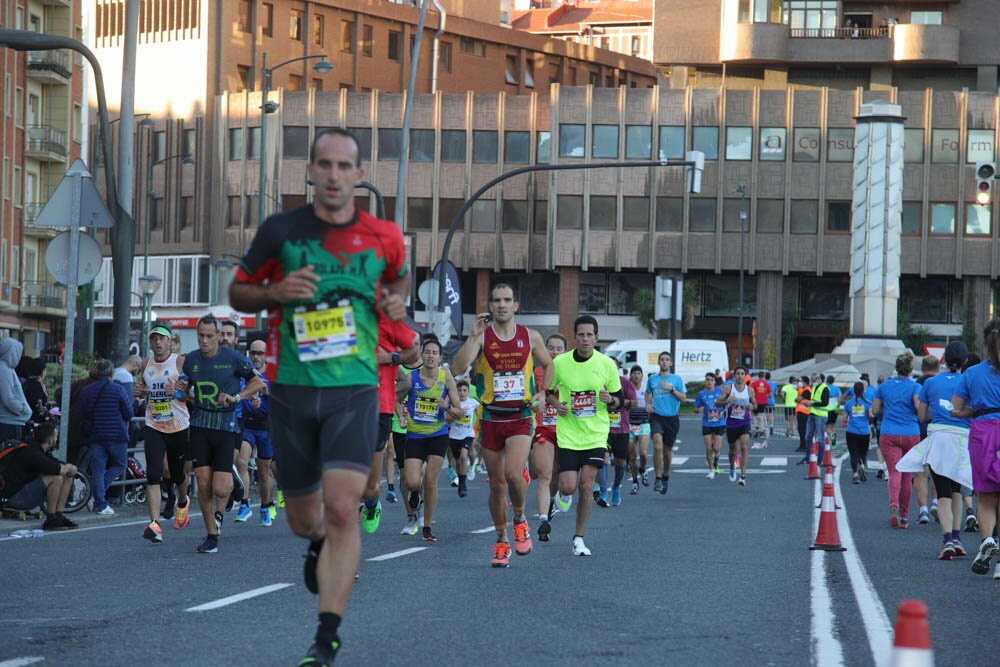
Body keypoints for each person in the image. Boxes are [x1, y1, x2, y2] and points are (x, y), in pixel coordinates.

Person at [229, 127, 409, 665]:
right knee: (305, 518)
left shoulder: (384, 236)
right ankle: (315, 544)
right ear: (309, 171)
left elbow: (397, 284)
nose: (334, 175)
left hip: (353, 388)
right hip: (291, 391)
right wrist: (273, 292)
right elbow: (238, 291)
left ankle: (326, 637)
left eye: (344, 166)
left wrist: (394, 308)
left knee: (342, 507)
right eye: (324, 165)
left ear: (358, 175)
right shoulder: (281, 230)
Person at [450, 283, 553, 568]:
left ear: (516, 305)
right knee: (496, 485)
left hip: (520, 416)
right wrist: (472, 337)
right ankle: (501, 540)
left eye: (507, 300)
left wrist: (544, 393)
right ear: (491, 305)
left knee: (512, 474)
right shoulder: (482, 338)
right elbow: (458, 368)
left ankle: (520, 518)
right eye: (496, 300)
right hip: (490, 418)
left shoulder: (530, 337)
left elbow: (549, 364)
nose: (502, 305)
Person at [181, 315, 265, 553]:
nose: (204, 341)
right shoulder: (191, 360)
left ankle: (233, 482)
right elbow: (185, 392)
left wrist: (235, 397)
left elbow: (257, 383)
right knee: (204, 485)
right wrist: (179, 391)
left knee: (220, 488)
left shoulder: (233, 358)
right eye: (201, 336)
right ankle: (211, 536)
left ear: (218, 336)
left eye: (209, 336)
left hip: (226, 426)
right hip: (199, 425)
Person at [545, 315, 622, 556]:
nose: (586, 338)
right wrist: (556, 404)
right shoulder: (561, 363)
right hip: (568, 433)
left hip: (596, 435)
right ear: (575, 337)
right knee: (568, 487)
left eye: (590, 335)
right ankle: (561, 495)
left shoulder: (607, 364)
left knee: (587, 485)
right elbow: (547, 392)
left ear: (596, 338)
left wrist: (611, 400)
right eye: (581, 334)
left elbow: (619, 401)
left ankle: (579, 538)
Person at [898, 341, 971, 560]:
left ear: (944, 360)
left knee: (942, 492)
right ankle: (957, 538)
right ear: (965, 361)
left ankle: (947, 540)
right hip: (963, 440)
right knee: (957, 489)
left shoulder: (930, 383)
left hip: (938, 438)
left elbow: (921, 416)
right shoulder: (968, 381)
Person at [134, 321, 193, 543]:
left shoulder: (180, 362)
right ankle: (154, 524)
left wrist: (179, 391)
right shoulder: (145, 363)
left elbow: (191, 395)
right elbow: (144, 389)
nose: (158, 342)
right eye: (154, 338)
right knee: (153, 475)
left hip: (178, 425)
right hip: (154, 425)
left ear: (170, 341)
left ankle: (183, 501)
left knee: (178, 475)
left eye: (162, 338)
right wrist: (141, 391)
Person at [400, 338, 463, 541]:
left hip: (437, 434)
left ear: (440, 358)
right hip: (415, 435)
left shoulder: (446, 378)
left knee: (431, 481)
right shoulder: (411, 378)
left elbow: (459, 411)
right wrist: (401, 417)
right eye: (427, 352)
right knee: (411, 481)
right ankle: (414, 495)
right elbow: (394, 398)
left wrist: (446, 406)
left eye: (434, 353)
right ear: (422, 355)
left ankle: (426, 526)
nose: (430, 356)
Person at [951, 320, 1000, 575]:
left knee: (986, 496)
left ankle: (987, 540)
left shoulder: (973, 373)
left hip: (983, 432)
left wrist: (964, 413)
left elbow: (957, 405)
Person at [365, 313, 420, 534]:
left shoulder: (386, 321)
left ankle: (370, 502)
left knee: (370, 488)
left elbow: (414, 351)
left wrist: (389, 358)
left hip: (378, 411)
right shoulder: (335, 318)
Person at [78, 359, 135, 516]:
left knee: (98, 469)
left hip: (96, 435)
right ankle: (99, 496)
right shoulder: (118, 390)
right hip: (117, 435)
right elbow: (129, 413)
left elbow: (80, 413)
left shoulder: (87, 391)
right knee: (120, 464)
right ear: (111, 373)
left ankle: (100, 502)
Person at [871, 353, 921, 529]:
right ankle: (905, 516)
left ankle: (893, 504)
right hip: (910, 432)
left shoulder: (884, 386)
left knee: (894, 471)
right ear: (911, 369)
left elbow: (875, 410)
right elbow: (917, 406)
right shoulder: (915, 387)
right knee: (907, 474)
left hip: (889, 431)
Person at [0, 422, 78, 530]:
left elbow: (54, 463)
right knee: (56, 478)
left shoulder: (41, 451)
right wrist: (68, 467)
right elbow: (54, 468)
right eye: (55, 436)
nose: (57, 439)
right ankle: (51, 518)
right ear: (50, 439)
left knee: (67, 476)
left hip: (25, 493)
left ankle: (58, 515)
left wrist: (68, 468)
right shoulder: (32, 452)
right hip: (15, 497)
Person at [530, 333, 566, 540]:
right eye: (550, 348)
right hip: (543, 425)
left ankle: (553, 499)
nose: (553, 352)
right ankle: (543, 520)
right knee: (541, 473)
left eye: (558, 348)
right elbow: (533, 396)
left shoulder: (570, 371)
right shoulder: (537, 371)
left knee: (558, 475)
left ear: (564, 351)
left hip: (565, 428)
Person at [241, 338, 276, 526]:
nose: (255, 356)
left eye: (260, 353)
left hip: (266, 427)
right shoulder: (244, 372)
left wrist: (265, 395)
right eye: (253, 353)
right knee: (241, 460)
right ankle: (245, 504)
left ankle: (265, 505)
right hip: (246, 425)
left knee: (264, 471)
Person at [222, 319, 254, 523]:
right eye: (222, 334)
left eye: (229, 334)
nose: (225, 338)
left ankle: (242, 500)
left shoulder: (243, 362)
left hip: (237, 418)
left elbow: (256, 384)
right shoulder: (207, 360)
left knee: (234, 462)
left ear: (236, 338)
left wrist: (242, 397)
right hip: (210, 418)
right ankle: (232, 493)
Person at [645, 351, 686, 494]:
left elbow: (684, 399)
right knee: (657, 447)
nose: (664, 362)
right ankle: (657, 478)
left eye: (667, 359)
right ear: (658, 362)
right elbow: (647, 392)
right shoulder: (652, 379)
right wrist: (647, 404)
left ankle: (665, 476)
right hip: (657, 416)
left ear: (671, 363)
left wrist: (672, 389)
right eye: (662, 359)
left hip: (672, 418)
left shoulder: (676, 379)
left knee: (667, 451)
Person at [717, 366, 756, 486]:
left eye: (742, 373)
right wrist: (727, 401)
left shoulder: (750, 390)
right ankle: (732, 466)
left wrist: (752, 406)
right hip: (731, 424)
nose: (739, 375)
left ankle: (743, 476)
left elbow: (754, 404)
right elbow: (717, 402)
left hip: (744, 423)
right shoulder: (728, 388)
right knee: (733, 450)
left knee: (744, 447)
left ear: (745, 376)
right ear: (735, 376)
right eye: (737, 373)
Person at [606, 360, 637, 506]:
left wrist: (615, 401)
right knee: (602, 459)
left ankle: (616, 487)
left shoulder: (624, 383)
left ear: (618, 368)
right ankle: (602, 490)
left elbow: (635, 403)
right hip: (602, 428)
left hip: (621, 428)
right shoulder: (599, 381)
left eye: (614, 366)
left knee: (620, 461)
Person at [447, 379, 479, 498]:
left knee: (464, 456)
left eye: (464, 390)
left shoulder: (473, 403)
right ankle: (461, 479)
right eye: (459, 390)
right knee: (458, 462)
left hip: (468, 434)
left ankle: (463, 484)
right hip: (454, 435)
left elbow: (481, 411)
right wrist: (457, 413)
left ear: (468, 392)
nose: (462, 392)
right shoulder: (453, 404)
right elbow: (447, 420)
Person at [0, 338, 32, 442]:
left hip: (10, 422)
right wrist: (23, 409)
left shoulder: (6, 369)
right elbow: (8, 399)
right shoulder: (4, 370)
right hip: (9, 424)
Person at [694, 372, 725, 479]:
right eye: (707, 379)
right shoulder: (701, 394)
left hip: (719, 422)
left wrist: (722, 412)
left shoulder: (720, 392)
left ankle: (716, 461)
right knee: (708, 447)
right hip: (706, 423)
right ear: (705, 381)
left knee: (716, 448)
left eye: (712, 380)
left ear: (715, 382)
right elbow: (695, 408)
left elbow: (727, 404)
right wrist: (698, 409)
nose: (709, 382)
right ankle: (711, 470)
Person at [627, 365, 650, 493]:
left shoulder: (646, 387)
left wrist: (650, 407)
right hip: (630, 423)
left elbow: (651, 402)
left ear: (642, 375)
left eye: (638, 373)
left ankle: (643, 469)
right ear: (631, 375)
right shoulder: (627, 387)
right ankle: (635, 481)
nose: (636, 375)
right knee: (632, 456)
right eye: (634, 373)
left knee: (643, 453)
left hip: (643, 423)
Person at [843, 381, 872, 483]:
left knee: (853, 454)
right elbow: (871, 416)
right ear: (863, 390)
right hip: (864, 431)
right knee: (863, 453)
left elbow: (844, 419)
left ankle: (855, 473)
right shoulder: (868, 403)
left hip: (852, 431)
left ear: (853, 391)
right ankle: (862, 467)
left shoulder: (849, 403)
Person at [21, 357, 51, 427]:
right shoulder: (35, 384)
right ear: (43, 370)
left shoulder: (28, 382)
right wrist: (46, 417)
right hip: (35, 422)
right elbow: (38, 405)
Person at [749, 371, 771, 437]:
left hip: (755, 401)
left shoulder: (754, 383)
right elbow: (770, 395)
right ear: (764, 376)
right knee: (761, 416)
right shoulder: (766, 384)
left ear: (758, 376)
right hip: (763, 402)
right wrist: (764, 396)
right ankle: (761, 430)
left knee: (754, 415)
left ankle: (756, 428)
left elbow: (750, 391)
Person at [794, 376, 812, 453]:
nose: (800, 383)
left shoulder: (807, 390)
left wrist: (797, 399)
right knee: (830, 429)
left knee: (802, 429)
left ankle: (803, 445)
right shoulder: (803, 390)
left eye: (801, 381)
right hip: (802, 412)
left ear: (805, 382)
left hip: (804, 412)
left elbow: (798, 399)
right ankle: (803, 444)